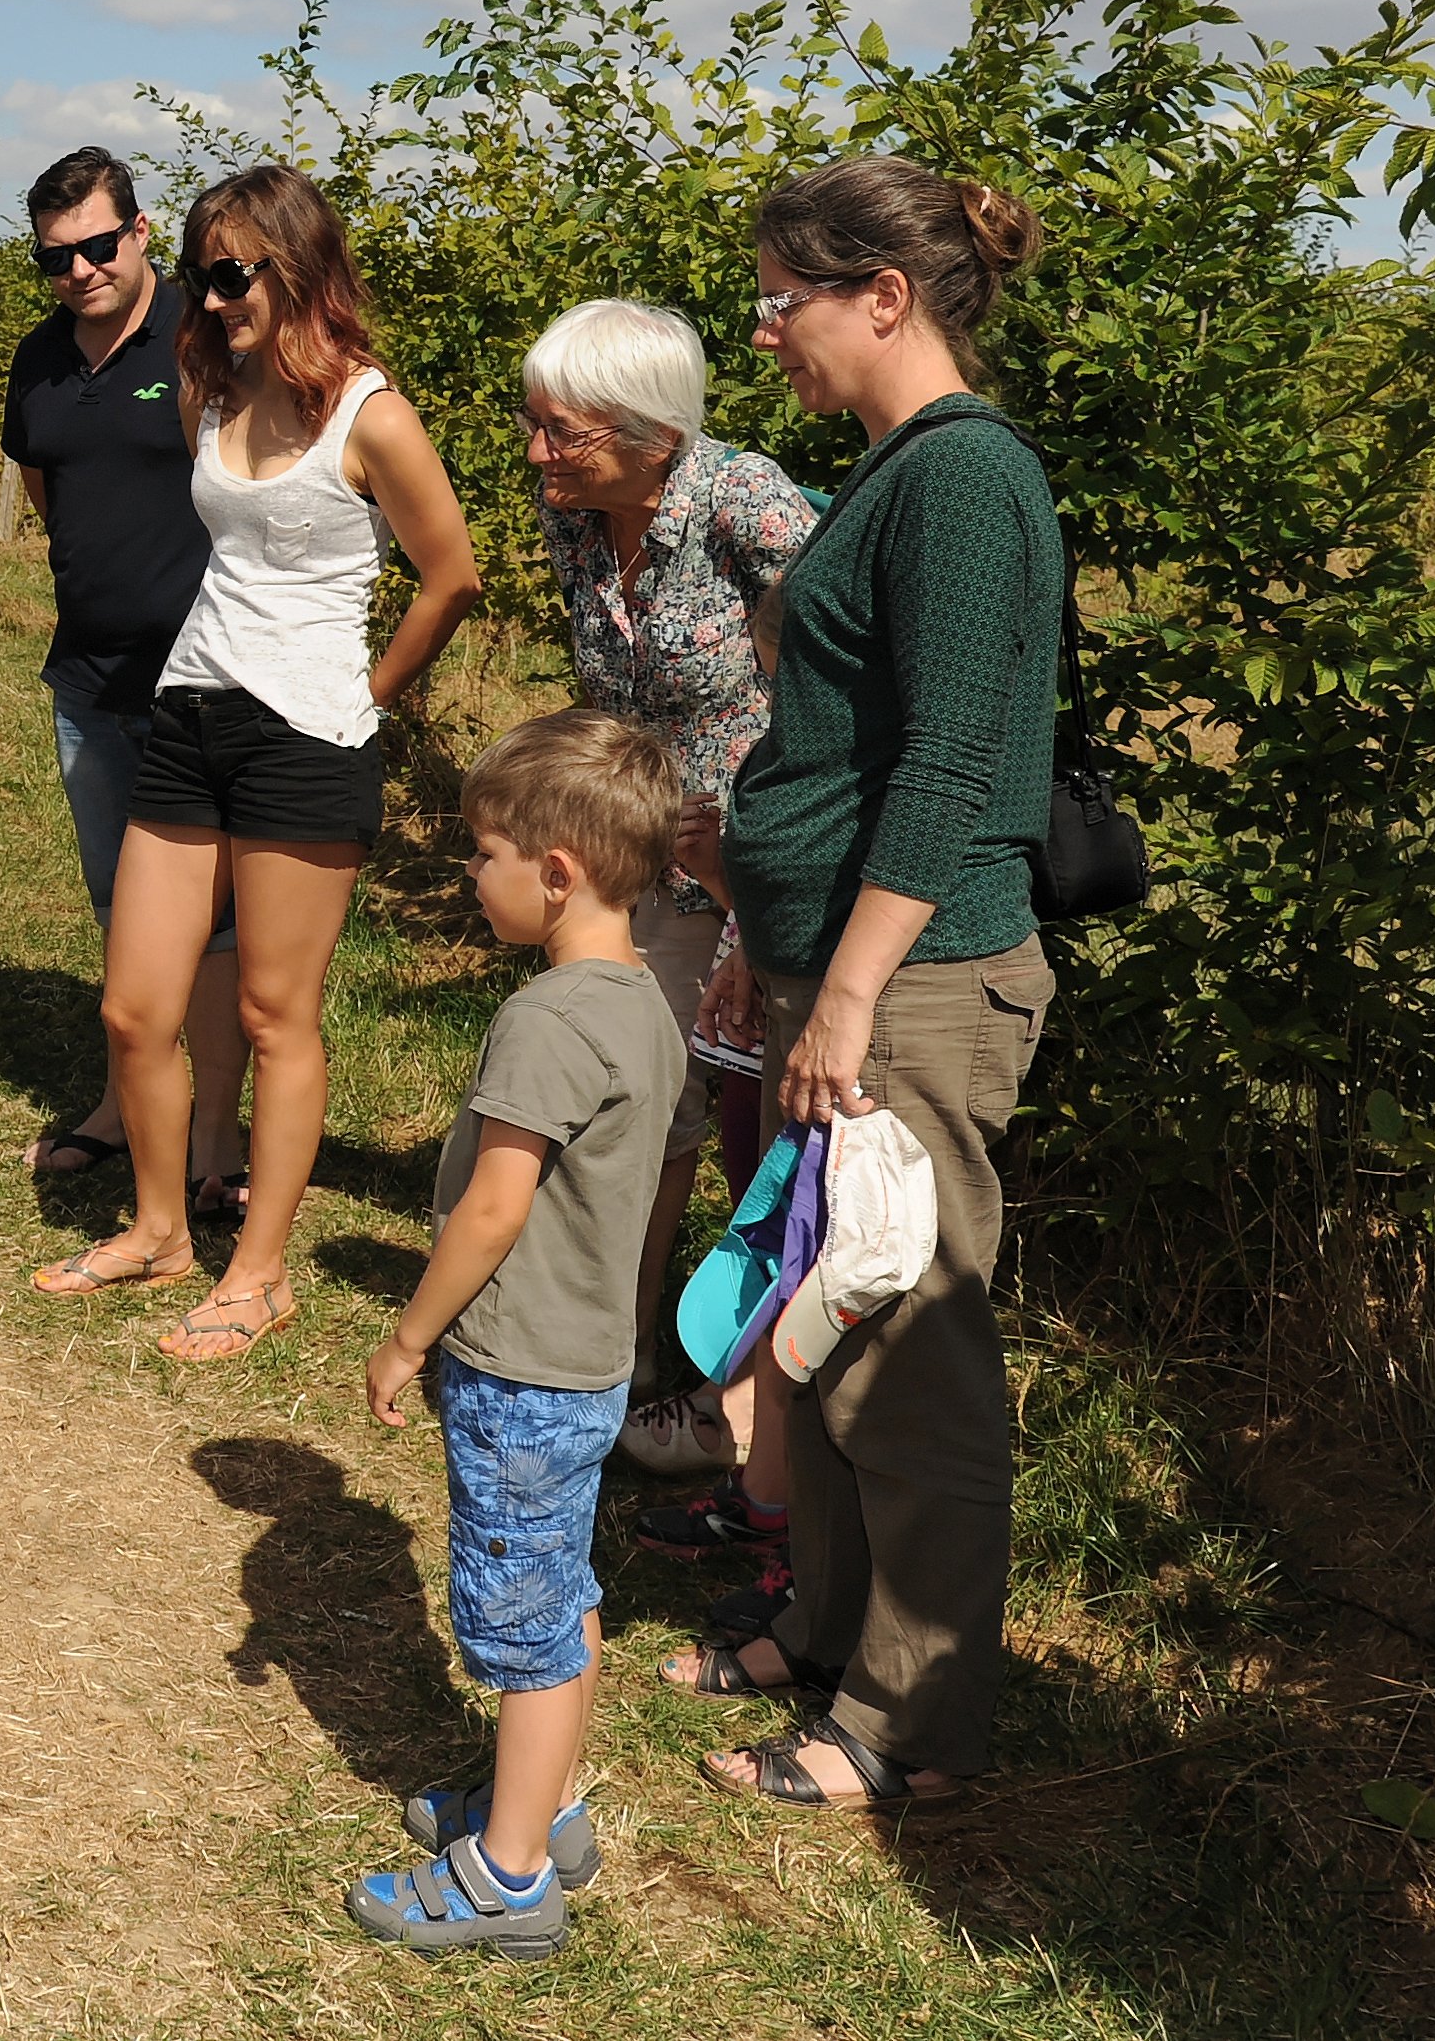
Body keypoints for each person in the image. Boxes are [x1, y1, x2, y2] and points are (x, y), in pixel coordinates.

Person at [668, 155, 1060, 1815]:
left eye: (782, 300)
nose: (765, 335)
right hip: (842, 969)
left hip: (920, 977)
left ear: (882, 295)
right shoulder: (894, 473)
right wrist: (780, 949)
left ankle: (913, 1711)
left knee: (909, 1342)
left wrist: (848, 992)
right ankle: (819, 1628)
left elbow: (953, 757)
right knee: (817, 1324)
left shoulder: (963, 481)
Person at [29, 164, 483, 1360]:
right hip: (189, 713)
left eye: (232, 275)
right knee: (134, 1007)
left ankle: (260, 1268)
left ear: (296, 267)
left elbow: (451, 577)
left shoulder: (369, 414)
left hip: (304, 737)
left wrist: (365, 695)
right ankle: (162, 1229)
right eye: (203, 274)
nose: (214, 296)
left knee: (277, 1013)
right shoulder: (210, 393)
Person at [345, 710, 687, 1961]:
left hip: (518, 1367)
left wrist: (405, 1335)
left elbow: (493, 1204)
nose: (466, 875)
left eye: (481, 854)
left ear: (556, 872)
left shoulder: (545, 1021)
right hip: (588, 1356)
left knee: (520, 1624)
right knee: (563, 1592)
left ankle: (509, 1872)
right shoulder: (645, 999)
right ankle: (543, 1808)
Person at [511, 300, 816, 1493]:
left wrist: (745, 862)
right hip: (629, 858)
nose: (538, 456)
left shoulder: (748, 504)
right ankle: (616, 1352)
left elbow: (832, 688)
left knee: (716, 1122)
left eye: (564, 433)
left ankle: (733, 1396)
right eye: (534, 427)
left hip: (748, 871)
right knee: (624, 1104)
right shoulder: (577, 518)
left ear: (650, 429)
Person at [0, 145, 246, 1210]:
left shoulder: (209, 336)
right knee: (120, 905)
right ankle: (118, 1101)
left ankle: (214, 1131)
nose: (82, 271)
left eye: (100, 245)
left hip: (208, 683)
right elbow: (48, 486)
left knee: (222, 925)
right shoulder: (37, 359)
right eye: (57, 259)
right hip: (90, 682)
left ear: (140, 233)